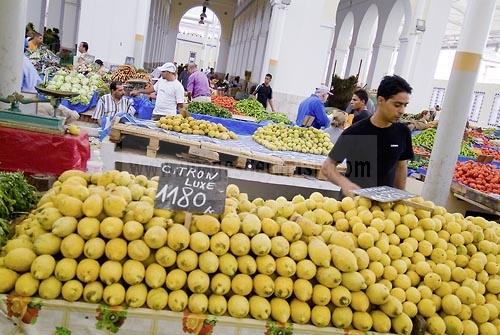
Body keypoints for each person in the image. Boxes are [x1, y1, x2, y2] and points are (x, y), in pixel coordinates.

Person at [320, 75, 414, 196]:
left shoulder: (402, 132)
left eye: (405, 105)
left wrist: (400, 196)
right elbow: (327, 167)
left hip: (383, 207)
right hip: (353, 207)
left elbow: (401, 166)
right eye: (397, 105)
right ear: (380, 100)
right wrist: (344, 184)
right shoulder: (355, 132)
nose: (402, 111)